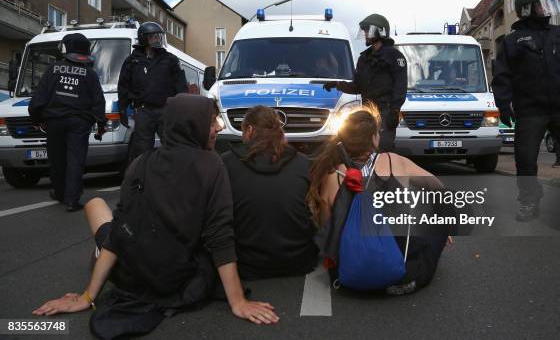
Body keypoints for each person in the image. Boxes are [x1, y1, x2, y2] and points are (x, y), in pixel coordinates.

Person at [32, 95, 279, 336]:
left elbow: (119, 230)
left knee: (95, 204)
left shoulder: (141, 162)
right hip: (175, 277)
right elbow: (219, 235)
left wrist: (87, 296)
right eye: (212, 121)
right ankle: (101, 258)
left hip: (133, 270)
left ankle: (101, 260)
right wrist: (237, 301)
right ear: (193, 126)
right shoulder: (212, 165)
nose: (217, 128)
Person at [307, 107, 451, 295]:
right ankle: (408, 278)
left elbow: (328, 227)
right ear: (374, 138)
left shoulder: (332, 175)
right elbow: (438, 188)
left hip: (349, 270)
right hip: (400, 264)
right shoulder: (393, 161)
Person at [492, 0, 560, 222]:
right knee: (525, 157)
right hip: (530, 110)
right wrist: (503, 105)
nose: (547, 9)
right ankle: (529, 200)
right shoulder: (513, 41)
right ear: (527, 9)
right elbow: (502, 76)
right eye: (541, 5)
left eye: (549, 4)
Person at [221, 106, 318, 280]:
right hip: (299, 261)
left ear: (249, 130)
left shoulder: (227, 162)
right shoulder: (302, 162)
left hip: (247, 264)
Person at [28, 33, 106, 212]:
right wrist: (100, 125)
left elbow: (40, 97)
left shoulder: (54, 68)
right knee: (75, 160)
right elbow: (98, 102)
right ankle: (72, 200)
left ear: (66, 49)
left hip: (54, 121)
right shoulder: (90, 73)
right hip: (79, 122)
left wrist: (37, 119)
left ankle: (60, 192)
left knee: (57, 160)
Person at [322, 14, 407, 151]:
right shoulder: (364, 58)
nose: (365, 34)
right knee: (365, 150)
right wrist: (338, 84)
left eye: (368, 30)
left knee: (382, 149)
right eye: (364, 31)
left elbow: (400, 86)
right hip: (367, 111)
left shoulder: (394, 56)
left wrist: (395, 110)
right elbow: (358, 86)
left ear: (379, 31)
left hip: (385, 111)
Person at [118, 21, 188, 161]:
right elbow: (123, 86)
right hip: (143, 111)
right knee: (142, 149)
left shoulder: (170, 59)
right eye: (153, 37)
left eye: (158, 36)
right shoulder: (132, 61)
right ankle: (142, 180)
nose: (157, 39)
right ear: (144, 38)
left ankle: (173, 178)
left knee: (172, 144)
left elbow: (181, 86)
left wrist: (181, 109)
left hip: (166, 110)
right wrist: (122, 110)